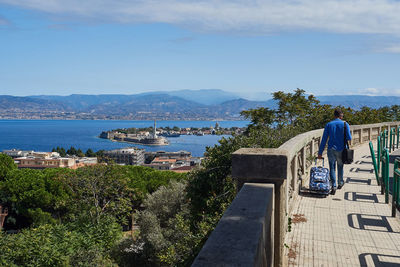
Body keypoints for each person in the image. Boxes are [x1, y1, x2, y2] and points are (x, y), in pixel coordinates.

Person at [318, 109, 352, 195]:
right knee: (340, 166)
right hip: (341, 149)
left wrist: (320, 152)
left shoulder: (329, 124)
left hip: (331, 149)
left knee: (332, 168)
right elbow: (349, 137)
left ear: (334, 115)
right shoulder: (345, 124)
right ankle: (340, 182)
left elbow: (324, 139)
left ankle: (333, 185)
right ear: (341, 116)